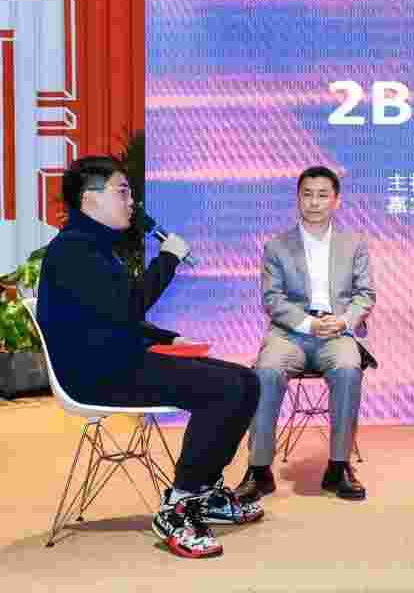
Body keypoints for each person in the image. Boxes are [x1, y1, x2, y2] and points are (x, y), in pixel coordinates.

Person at [36, 155, 262, 559]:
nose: (132, 203)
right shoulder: (73, 250)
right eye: (123, 192)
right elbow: (129, 306)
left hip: (118, 360)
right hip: (97, 375)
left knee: (246, 381)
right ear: (90, 199)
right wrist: (168, 259)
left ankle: (205, 492)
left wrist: (168, 337)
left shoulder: (93, 245)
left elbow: (113, 314)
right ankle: (180, 505)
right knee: (224, 389)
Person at [234, 166, 375, 502]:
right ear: (298, 199)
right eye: (307, 194)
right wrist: (308, 324)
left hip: (337, 333)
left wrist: (343, 321)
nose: (314, 202)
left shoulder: (354, 244)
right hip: (290, 334)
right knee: (266, 371)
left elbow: (365, 295)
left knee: (348, 368)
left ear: (336, 200)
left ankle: (338, 468)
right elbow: (272, 300)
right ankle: (258, 470)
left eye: (322, 195)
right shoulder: (277, 246)